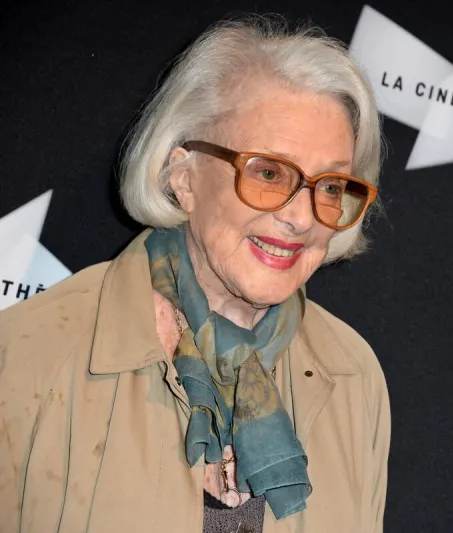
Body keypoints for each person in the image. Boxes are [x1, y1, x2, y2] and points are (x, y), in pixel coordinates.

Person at [0, 16, 390, 533]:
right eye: (269, 173)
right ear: (183, 178)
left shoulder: (355, 377)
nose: (301, 217)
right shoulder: (30, 354)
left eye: (331, 186)